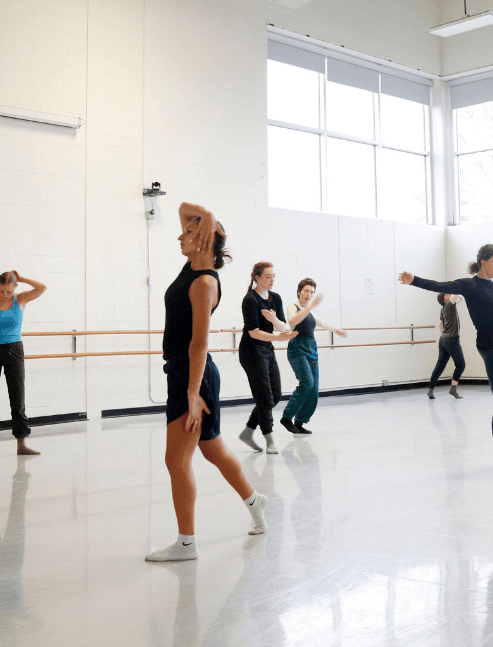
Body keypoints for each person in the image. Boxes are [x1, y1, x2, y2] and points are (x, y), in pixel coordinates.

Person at [145, 202, 267, 562]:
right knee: (212, 448)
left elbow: (200, 342)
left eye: (189, 232)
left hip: (191, 372)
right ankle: (254, 500)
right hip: (189, 371)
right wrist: (201, 227)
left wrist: (193, 393)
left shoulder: (203, 282)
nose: (181, 234)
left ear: (204, 238)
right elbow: (185, 207)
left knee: (175, 459)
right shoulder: (193, 266)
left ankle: (186, 543)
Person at [399, 244, 493, 470]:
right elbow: (440, 286)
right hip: (492, 347)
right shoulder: (468, 286)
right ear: (483, 263)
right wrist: (414, 280)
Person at [0, 271, 46, 456]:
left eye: (8, 291)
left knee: (17, 397)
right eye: (1, 291)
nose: (4, 295)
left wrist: (23, 278)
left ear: (15, 286)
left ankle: (21, 444)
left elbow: (42, 288)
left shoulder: (22, 298)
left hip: (14, 350)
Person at [237, 262, 297, 455]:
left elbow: (283, 328)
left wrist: (273, 321)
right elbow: (253, 333)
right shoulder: (250, 300)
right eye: (267, 277)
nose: (271, 280)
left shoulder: (275, 298)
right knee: (264, 397)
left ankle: (247, 431)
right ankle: (269, 439)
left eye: (273, 276)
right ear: (257, 278)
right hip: (251, 351)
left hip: (267, 349)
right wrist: (277, 337)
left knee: (276, 394)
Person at [277, 278, 347, 435]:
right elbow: (293, 322)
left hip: (311, 348)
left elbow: (321, 322)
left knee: (314, 389)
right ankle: (287, 417)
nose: (309, 294)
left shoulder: (308, 310)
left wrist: (336, 330)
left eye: (312, 292)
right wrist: (310, 306)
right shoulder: (292, 306)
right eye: (306, 291)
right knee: (307, 382)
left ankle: (300, 422)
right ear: (299, 292)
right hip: (297, 348)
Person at [428, 293, 466, 400]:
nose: (448, 294)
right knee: (461, 365)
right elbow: (458, 296)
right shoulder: (449, 305)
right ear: (444, 300)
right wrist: (456, 294)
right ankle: (453, 389)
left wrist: (444, 334)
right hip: (452, 340)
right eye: (446, 295)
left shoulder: (443, 308)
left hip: (443, 339)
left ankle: (430, 390)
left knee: (440, 365)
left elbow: (440, 325)